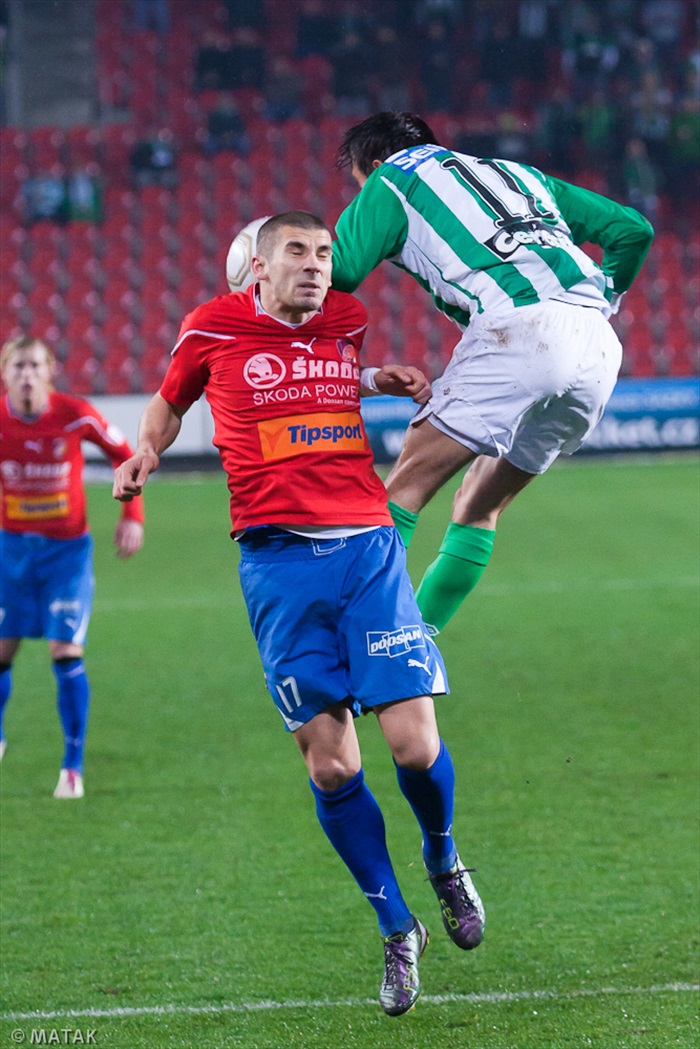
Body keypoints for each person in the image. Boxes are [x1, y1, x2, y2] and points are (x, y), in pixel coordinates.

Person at [113, 211, 485, 1017]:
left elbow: (326, 367)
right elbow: (169, 403)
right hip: (277, 564)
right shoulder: (211, 328)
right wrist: (144, 451)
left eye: (323, 253)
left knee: (414, 744)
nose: (317, 266)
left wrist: (378, 378)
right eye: (299, 252)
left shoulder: (346, 319)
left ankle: (443, 858)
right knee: (332, 766)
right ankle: (396, 927)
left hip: (366, 550)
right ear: (255, 267)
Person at [331, 112, 654, 633]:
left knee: (402, 490)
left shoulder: (391, 177)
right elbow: (632, 229)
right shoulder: (519, 174)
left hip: (518, 331)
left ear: (372, 164)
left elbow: (342, 272)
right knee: (479, 506)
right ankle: (418, 640)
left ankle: (366, 645)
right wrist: (606, 295)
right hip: (597, 344)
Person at [0, 335, 144, 798]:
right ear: (5, 374)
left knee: (65, 652)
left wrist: (132, 515)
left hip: (66, 554)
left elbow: (125, 454)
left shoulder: (76, 413)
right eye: (17, 366)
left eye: (33, 366)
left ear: (49, 371)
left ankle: (72, 765)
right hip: (9, 553)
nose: (25, 374)